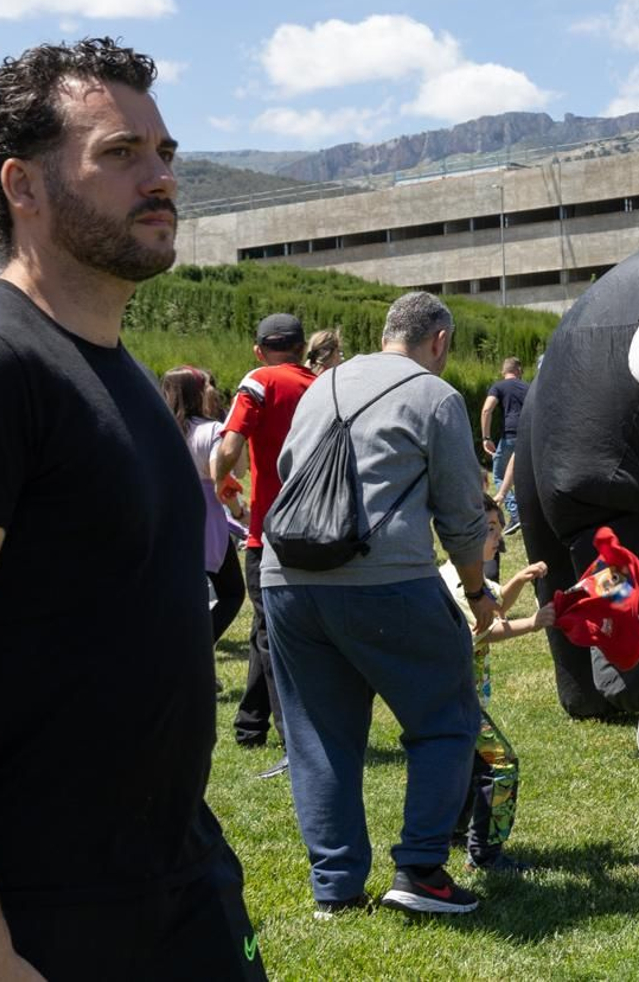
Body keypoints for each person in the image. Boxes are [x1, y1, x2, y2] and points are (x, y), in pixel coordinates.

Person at [0, 37, 265, 980]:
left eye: (164, 153)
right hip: (15, 910)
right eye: (120, 153)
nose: (160, 177)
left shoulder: (119, 374)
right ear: (24, 186)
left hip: (168, 879)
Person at [263, 290, 497, 918]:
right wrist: (476, 593)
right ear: (439, 341)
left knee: (319, 735)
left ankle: (336, 889)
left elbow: (289, 470)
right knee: (447, 717)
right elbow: (462, 515)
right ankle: (420, 870)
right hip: (383, 579)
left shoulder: (324, 384)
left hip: (286, 579)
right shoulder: (434, 396)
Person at [213, 312, 316, 774]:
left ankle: (295, 741)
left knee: (274, 635)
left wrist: (224, 485)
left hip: (268, 530)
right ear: (302, 347)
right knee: (264, 625)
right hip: (315, 527)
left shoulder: (258, 381)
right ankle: (250, 724)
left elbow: (229, 448)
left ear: (259, 350)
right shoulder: (323, 385)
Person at [440, 495, 555, 873]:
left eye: (499, 529)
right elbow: (487, 628)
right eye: (490, 529)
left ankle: (454, 832)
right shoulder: (457, 584)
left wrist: (519, 580)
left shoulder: (465, 575)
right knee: (501, 764)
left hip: (450, 697)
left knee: (468, 765)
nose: (497, 538)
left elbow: (495, 604)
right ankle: (485, 854)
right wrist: (534, 623)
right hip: (454, 699)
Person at [162, 366, 247, 644]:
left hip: (168, 517)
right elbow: (220, 477)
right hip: (206, 520)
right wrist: (240, 513)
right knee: (232, 592)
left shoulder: (160, 429)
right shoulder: (211, 430)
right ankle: (193, 648)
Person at [480, 357, 529, 531]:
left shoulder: (499, 386)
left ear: (503, 371)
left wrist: (486, 437)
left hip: (510, 435)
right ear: (519, 370)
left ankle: (516, 514)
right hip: (528, 434)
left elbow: (487, 410)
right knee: (525, 476)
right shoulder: (528, 387)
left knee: (499, 474)